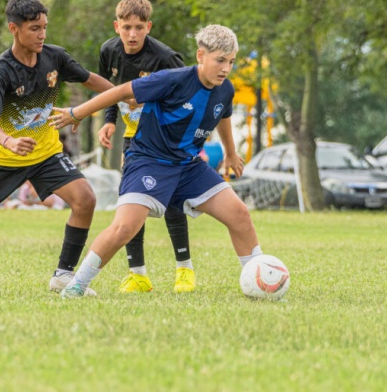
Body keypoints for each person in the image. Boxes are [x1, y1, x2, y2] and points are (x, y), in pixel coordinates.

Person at [50, 24, 265, 298]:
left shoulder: (225, 89)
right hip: (149, 161)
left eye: (231, 61)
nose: (225, 68)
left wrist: (231, 152)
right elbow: (119, 91)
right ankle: (76, 286)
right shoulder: (172, 79)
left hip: (188, 167)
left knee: (239, 214)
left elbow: (222, 115)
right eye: (220, 60)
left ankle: (259, 279)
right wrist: (77, 112)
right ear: (201, 55)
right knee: (124, 228)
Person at [0, 0, 115, 294]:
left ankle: (63, 275)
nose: (42, 35)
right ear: (13, 29)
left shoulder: (55, 57)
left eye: (44, 27)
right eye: (34, 29)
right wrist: (10, 141)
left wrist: (128, 94)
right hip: (4, 157)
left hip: (46, 153)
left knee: (85, 200)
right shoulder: (1, 70)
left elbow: (90, 80)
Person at [97, 0, 195, 293]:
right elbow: (108, 90)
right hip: (133, 139)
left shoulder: (166, 57)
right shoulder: (108, 51)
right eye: (126, 27)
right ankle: (138, 275)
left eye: (139, 27)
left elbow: (189, 96)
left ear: (148, 27)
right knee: (132, 201)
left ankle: (184, 271)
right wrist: (109, 119)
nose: (132, 34)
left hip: (166, 138)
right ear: (117, 26)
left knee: (174, 200)